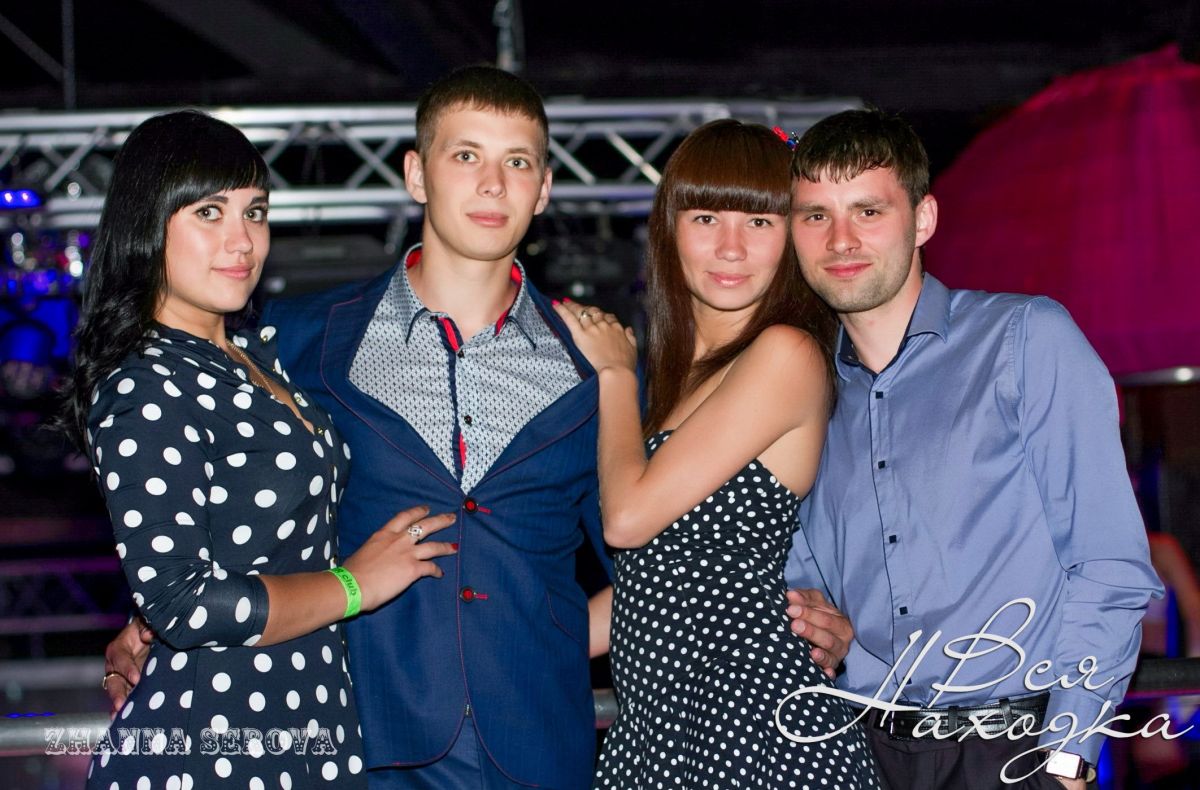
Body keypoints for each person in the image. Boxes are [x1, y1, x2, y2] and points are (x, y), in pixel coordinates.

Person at [102, 70, 856, 789]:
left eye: (517, 162)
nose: (492, 184)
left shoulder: (599, 362)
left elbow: (655, 557)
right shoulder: (299, 341)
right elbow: (236, 496)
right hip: (366, 743)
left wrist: (790, 601)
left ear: (544, 188)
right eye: (466, 156)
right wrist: (155, 615)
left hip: (543, 742)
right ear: (416, 174)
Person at [65, 110, 456, 789]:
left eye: (255, 212)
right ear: (148, 225)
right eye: (209, 213)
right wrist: (354, 585)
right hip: (213, 747)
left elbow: (227, 548)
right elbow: (183, 601)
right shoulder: (145, 382)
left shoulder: (253, 356)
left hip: (303, 725)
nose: (242, 240)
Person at [782, 108, 1163, 789]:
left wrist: (1069, 756)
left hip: (1014, 750)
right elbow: (805, 578)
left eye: (868, 211)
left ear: (923, 219)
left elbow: (1108, 563)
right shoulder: (802, 393)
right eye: (816, 215)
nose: (841, 239)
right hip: (860, 752)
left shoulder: (1025, 339)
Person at [556, 119, 881, 788]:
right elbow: (658, 578)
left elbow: (627, 520)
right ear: (669, 228)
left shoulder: (784, 353)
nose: (731, 247)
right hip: (668, 728)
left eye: (759, 222)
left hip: (749, 723)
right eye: (706, 217)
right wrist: (502, 643)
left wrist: (613, 373)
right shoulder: (685, 379)